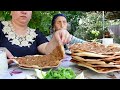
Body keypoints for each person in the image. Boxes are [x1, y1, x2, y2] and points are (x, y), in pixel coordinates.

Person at [0, 11, 72, 62]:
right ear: (11, 12)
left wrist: (57, 36)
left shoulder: (36, 34)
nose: (24, 11)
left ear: (31, 15)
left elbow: (47, 49)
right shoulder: (1, 27)